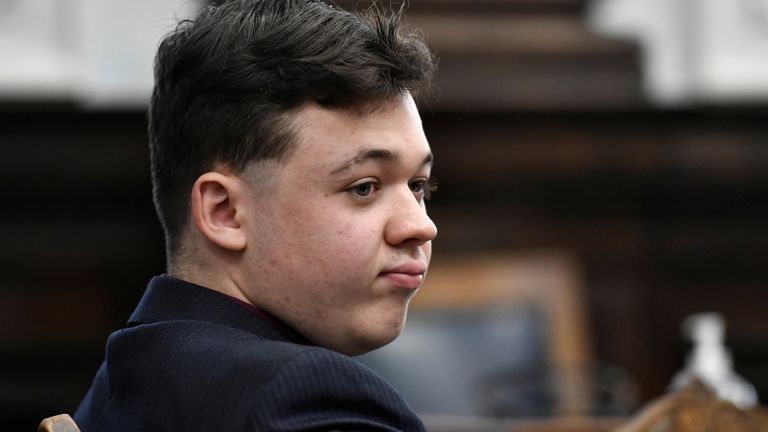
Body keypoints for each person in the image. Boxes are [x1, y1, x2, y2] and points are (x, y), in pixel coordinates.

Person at [73, 0, 437, 430]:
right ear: (224, 212)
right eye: (364, 188)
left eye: (418, 186)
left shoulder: (131, 371)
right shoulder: (304, 399)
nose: (419, 225)